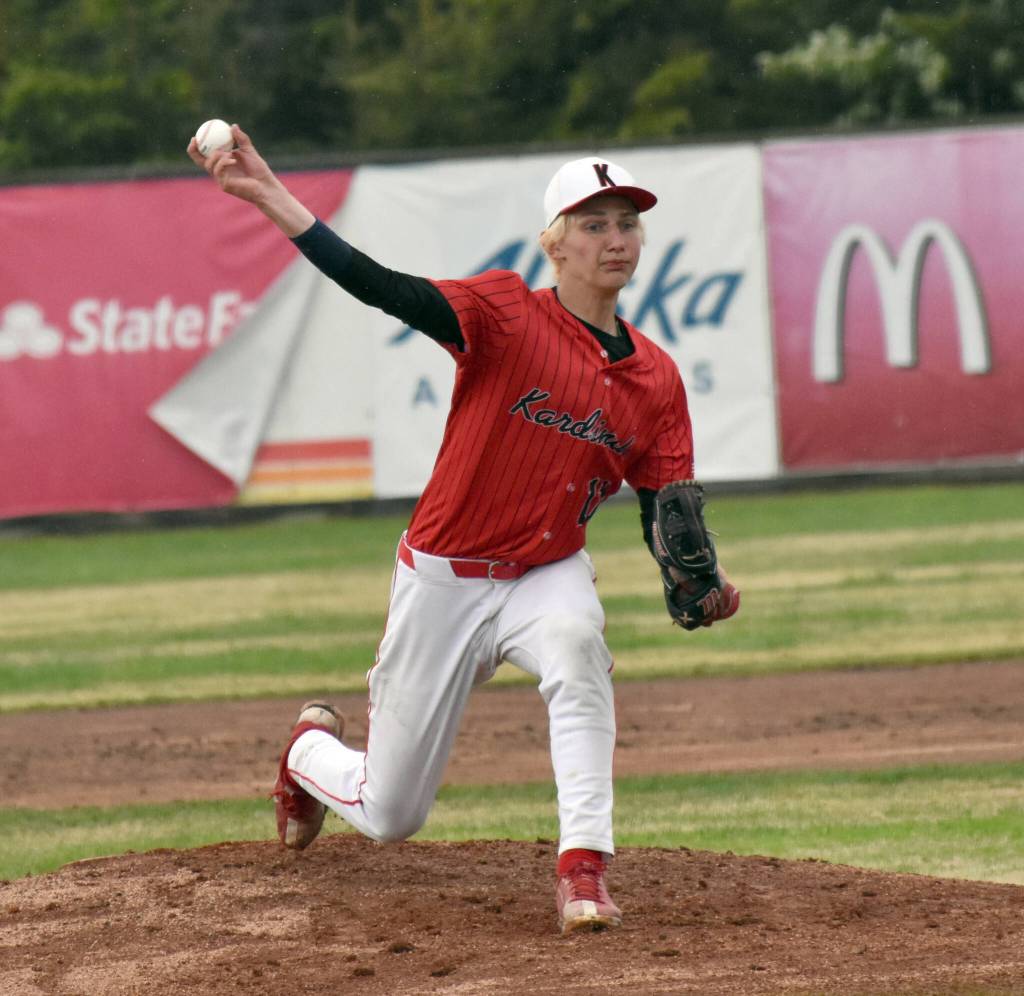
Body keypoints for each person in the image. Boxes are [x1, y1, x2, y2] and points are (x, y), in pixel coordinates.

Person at [188, 125, 739, 935]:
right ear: (556, 243)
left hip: (546, 573)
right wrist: (270, 194)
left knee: (579, 647)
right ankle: (308, 754)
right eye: (594, 225)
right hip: (444, 579)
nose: (615, 240)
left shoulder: (654, 377)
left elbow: (669, 509)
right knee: (391, 812)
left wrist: (699, 585)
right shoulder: (506, 314)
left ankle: (583, 872)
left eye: (626, 224)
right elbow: (381, 286)